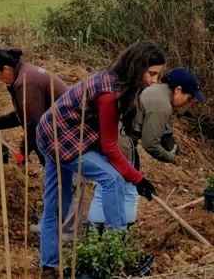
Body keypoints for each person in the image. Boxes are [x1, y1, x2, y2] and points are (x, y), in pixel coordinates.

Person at [36, 41, 166, 279]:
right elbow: (110, 148)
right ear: (137, 67)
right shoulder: (109, 94)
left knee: (58, 206)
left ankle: (50, 267)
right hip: (62, 137)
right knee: (112, 179)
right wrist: (138, 179)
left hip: (51, 130)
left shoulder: (117, 81)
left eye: (157, 75)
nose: (154, 81)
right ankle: (119, 255)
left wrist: (137, 179)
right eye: (152, 74)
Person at [0, 48, 82, 240]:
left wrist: (24, 151)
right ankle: (52, 227)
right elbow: (21, 116)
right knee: (57, 183)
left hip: (66, 137)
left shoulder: (27, 83)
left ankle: (64, 234)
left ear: (6, 69)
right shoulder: (24, 75)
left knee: (63, 184)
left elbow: (34, 124)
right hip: (58, 135)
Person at [86, 67, 205, 229]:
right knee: (129, 192)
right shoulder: (163, 105)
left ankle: (94, 242)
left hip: (107, 132)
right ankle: (119, 244)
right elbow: (151, 144)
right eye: (189, 97)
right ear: (178, 90)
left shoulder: (155, 89)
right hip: (121, 139)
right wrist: (169, 156)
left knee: (103, 189)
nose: (188, 103)